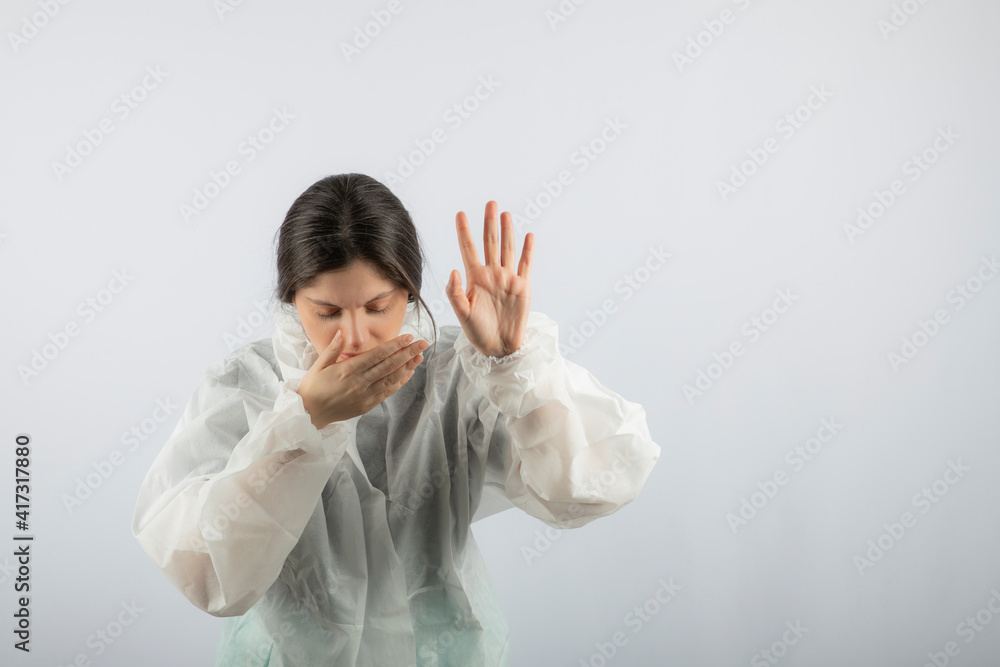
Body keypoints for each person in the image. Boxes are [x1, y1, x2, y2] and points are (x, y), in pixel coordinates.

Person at [131, 173, 661, 666]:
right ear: (292, 299)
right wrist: (302, 423)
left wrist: (515, 366)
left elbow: (587, 488)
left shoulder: (461, 374)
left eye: (377, 306)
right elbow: (203, 570)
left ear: (409, 292)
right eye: (327, 312)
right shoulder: (247, 385)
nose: (354, 336)